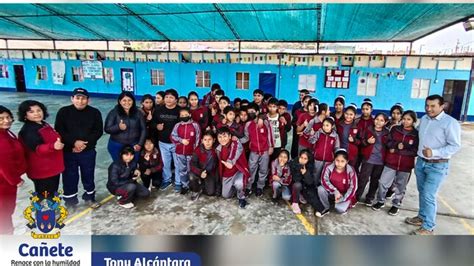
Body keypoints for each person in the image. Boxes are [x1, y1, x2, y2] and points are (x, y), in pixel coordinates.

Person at [405, 95, 461, 235]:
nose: (429, 109)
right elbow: (419, 132)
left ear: (442, 106)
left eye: (433, 106)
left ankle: (429, 227)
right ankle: (422, 217)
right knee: (422, 192)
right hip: (421, 163)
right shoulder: (424, 119)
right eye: (427, 106)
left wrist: (434, 152)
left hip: (438, 165)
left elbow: (455, 146)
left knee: (429, 195)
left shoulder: (450, 123)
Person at [54, 88, 103, 208]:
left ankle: (89, 197)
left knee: (88, 174)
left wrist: (83, 144)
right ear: (72, 99)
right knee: (70, 176)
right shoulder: (63, 112)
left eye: (83, 98)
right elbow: (59, 130)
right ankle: (70, 202)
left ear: (88, 100)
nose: (80, 101)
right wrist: (74, 143)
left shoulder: (95, 112)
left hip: (88, 151)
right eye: (77, 98)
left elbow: (98, 131)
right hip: (69, 152)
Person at [372, 111, 419, 215]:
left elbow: (416, 151)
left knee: (400, 186)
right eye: (404, 118)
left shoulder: (415, 134)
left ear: (414, 121)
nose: (406, 121)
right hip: (391, 162)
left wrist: (401, 150)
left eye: (409, 119)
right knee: (383, 182)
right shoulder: (395, 129)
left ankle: (396, 204)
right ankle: (380, 201)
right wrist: (395, 145)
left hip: (405, 165)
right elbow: (388, 141)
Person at [18, 100, 64, 200]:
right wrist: (53, 146)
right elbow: (37, 148)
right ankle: (43, 214)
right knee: (44, 195)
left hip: (51, 168)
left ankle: (51, 211)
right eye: (31, 112)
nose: (36, 114)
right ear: (25, 115)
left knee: (52, 192)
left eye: (39, 110)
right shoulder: (28, 130)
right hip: (42, 171)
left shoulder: (43, 124)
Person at [0, 106, 26, 234]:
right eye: (1, 118)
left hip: (7, 181)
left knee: (7, 210)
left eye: (8, 117)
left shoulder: (7, 132)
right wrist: (15, 180)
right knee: (4, 211)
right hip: (4, 183)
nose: (6, 121)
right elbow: (3, 163)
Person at [241, 103, 274, 197]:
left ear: (257, 112)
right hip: (254, 151)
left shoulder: (266, 122)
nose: (251, 113)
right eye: (249, 112)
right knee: (251, 169)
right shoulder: (248, 124)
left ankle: (260, 187)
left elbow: (270, 135)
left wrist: (271, 146)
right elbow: (246, 138)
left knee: (263, 170)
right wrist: (236, 140)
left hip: (265, 151)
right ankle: (248, 187)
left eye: (252, 111)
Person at [355, 113, 390, 205]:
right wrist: (367, 141)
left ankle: (370, 197)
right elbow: (361, 142)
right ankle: (357, 196)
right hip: (368, 159)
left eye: (381, 120)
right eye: (377, 119)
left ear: (385, 122)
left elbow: (390, 145)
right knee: (363, 179)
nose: (378, 122)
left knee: (375, 180)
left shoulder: (387, 133)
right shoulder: (368, 130)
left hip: (380, 161)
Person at [314, 148, 358, 217]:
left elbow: (353, 188)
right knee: (320, 189)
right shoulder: (328, 167)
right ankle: (326, 207)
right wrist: (335, 191)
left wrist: (343, 199)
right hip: (333, 192)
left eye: (342, 161)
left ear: (347, 161)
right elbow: (324, 181)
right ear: (334, 160)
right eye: (337, 160)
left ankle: (343, 203)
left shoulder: (351, 171)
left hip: (344, 194)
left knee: (340, 209)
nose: (339, 164)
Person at [104, 92, 146, 162]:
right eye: (124, 100)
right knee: (118, 165)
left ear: (133, 101)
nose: (127, 102)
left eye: (129, 100)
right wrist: (118, 127)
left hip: (134, 144)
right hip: (116, 144)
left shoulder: (138, 113)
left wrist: (140, 144)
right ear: (120, 101)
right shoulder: (114, 112)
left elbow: (143, 129)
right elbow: (107, 129)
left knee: (133, 165)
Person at [152, 89, 180, 190]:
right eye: (167, 97)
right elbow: (153, 123)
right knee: (165, 163)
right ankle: (167, 180)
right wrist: (157, 126)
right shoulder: (159, 110)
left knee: (178, 163)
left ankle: (178, 182)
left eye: (171, 97)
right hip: (163, 142)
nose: (168, 99)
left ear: (176, 100)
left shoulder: (179, 111)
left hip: (177, 143)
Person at [216, 127, 250, 208]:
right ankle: (235, 188)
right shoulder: (218, 148)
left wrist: (230, 162)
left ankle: (241, 196)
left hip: (237, 171)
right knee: (225, 195)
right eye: (220, 137)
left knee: (239, 183)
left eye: (225, 136)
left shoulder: (235, 143)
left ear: (230, 137)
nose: (222, 139)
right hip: (227, 174)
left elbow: (234, 153)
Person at [171, 107, 201, 194]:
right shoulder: (177, 125)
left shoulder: (195, 125)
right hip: (180, 152)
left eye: (186, 115)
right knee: (182, 170)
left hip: (191, 153)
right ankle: (185, 186)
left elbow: (198, 139)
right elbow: (172, 136)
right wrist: (181, 140)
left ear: (189, 115)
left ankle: (193, 186)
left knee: (190, 170)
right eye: (182, 115)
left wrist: (195, 151)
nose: (184, 116)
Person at [306, 117, 340, 185]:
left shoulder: (335, 136)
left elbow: (337, 148)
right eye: (323, 125)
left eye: (327, 125)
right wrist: (312, 134)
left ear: (332, 126)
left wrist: (336, 159)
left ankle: (323, 188)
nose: (325, 127)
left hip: (329, 160)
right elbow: (311, 141)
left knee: (325, 175)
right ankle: (314, 188)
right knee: (316, 174)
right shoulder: (319, 133)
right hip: (318, 158)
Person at [189, 130, 218, 201]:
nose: (207, 142)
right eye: (205, 140)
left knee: (210, 192)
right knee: (191, 176)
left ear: (214, 140)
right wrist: (200, 172)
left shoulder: (217, 149)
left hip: (210, 173)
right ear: (202, 141)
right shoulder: (198, 150)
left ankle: (202, 185)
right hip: (200, 171)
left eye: (209, 139)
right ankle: (196, 190)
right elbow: (192, 165)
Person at [289, 149, 315, 214]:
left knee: (309, 198)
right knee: (297, 185)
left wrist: (305, 173)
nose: (303, 160)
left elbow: (310, 182)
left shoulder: (309, 166)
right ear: (299, 157)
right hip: (292, 186)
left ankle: (300, 195)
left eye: (305, 158)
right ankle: (295, 203)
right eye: (301, 157)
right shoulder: (294, 163)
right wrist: (299, 167)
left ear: (308, 160)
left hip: (303, 188)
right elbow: (296, 180)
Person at [336, 103, 359, 168]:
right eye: (347, 114)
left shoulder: (357, 126)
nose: (348, 116)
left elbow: (360, 141)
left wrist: (354, 140)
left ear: (355, 115)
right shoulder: (339, 124)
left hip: (351, 153)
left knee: (349, 170)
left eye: (351, 114)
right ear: (344, 113)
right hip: (340, 151)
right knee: (339, 169)